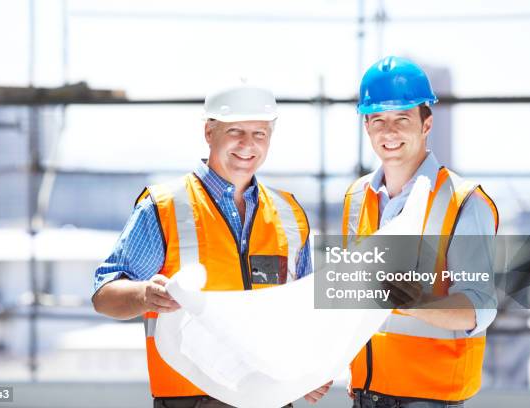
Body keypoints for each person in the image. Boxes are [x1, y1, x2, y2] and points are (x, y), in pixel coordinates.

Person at [92, 80, 331, 407]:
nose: (248, 144)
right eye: (235, 131)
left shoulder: (289, 214)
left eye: (259, 133)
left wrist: (310, 368)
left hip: (272, 398)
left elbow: (304, 311)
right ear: (209, 133)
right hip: (192, 399)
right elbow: (104, 296)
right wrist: (145, 295)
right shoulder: (163, 207)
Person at [342, 56, 499, 407]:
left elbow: (479, 306)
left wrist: (416, 302)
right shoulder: (357, 198)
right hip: (366, 395)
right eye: (378, 119)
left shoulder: (462, 201)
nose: (389, 131)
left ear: (426, 124)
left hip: (429, 399)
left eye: (402, 118)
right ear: (366, 126)